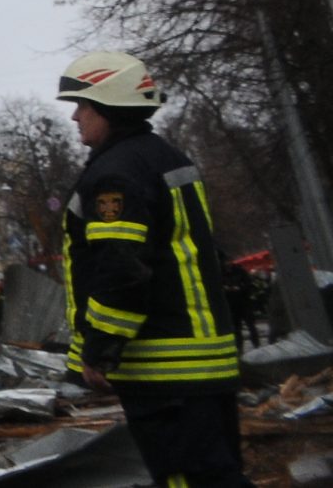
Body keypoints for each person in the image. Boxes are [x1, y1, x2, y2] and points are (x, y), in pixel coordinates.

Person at [56, 50, 253, 488]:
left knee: (189, 479)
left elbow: (122, 269)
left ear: (107, 104)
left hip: (165, 368)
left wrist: (100, 349)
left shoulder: (115, 174)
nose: (75, 117)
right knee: (218, 474)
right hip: (202, 361)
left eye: (82, 105)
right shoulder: (162, 157)